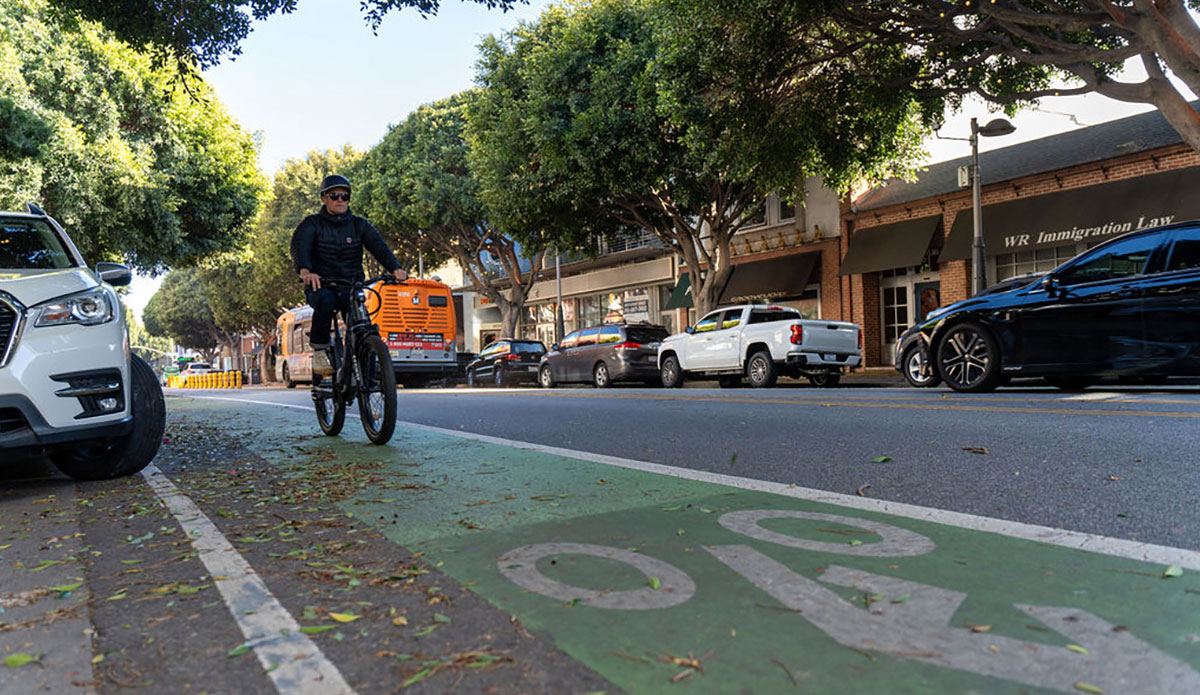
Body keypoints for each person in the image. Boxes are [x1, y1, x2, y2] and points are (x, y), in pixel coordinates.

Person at [290, 174, 408, 375]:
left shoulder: (359, 225)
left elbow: (379, 246)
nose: (340, 201)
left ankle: (368, 378)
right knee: (326, 301)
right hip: (322, 285)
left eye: (345, 197)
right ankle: (319, 350)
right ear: (324, 198)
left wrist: (395, 268)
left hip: (351, 285)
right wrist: (305, 271)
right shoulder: (311, 224)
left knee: (363, 324)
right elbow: (300, 247)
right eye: (334, 196)